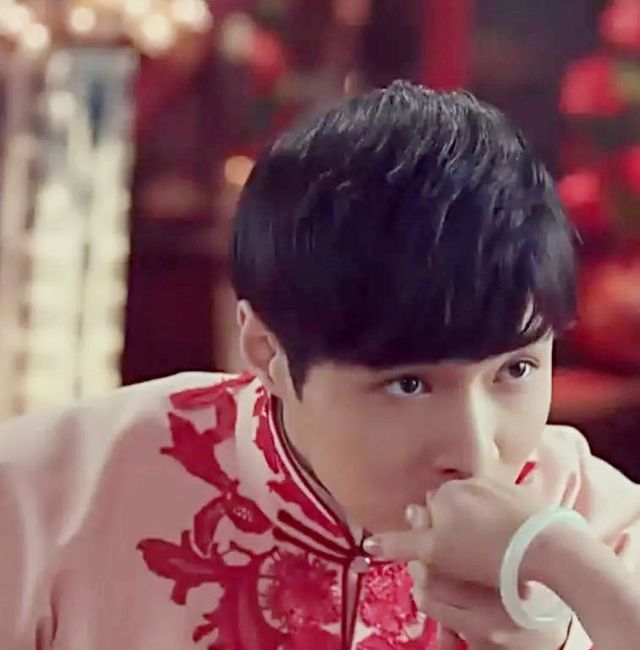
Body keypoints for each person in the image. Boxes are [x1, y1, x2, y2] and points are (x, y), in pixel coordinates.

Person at [0, 80, 638, 650]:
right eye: (409, 384)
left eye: (516, 370)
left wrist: (573, 601)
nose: (474, 452)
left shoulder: (599, 524)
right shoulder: (46, 499)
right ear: (266, 350)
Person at [367, 478, 640, 650]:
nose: (475, 450)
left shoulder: (580, 488)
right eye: (407, 386)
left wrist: (566, 561)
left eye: (515, 381)